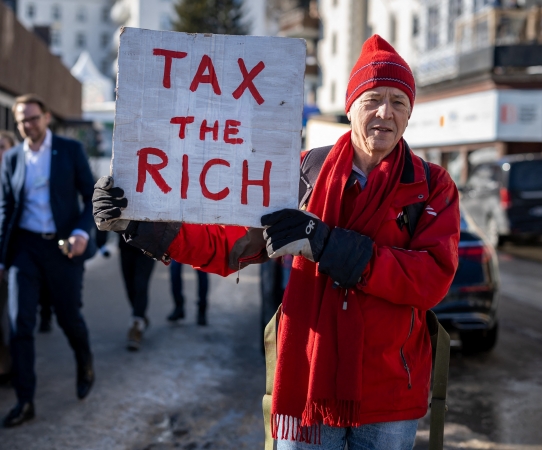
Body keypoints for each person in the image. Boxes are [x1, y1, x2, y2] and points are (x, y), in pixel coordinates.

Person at [93, 35, 460, 449]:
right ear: (350, 105)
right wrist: (142, 225)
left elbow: (430, 279)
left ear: (410, 113)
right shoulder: (302, 171)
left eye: (398, 102)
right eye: (373, 98)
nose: (385, 113)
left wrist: (324, 244)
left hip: (389, 392)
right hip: (306, 382)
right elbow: (228, 243)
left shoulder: (431, 185)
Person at [0, 94, 96, 428]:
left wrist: (82, 233)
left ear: (47, 117)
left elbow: (91, 197)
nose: (28, 125)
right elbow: (6, 208)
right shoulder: (13, 158)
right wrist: (2, 257)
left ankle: (85, 362)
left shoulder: (70, 151)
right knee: (19, 325)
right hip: (24, 248)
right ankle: (25, 401)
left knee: (69, 318)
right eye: (22, 120)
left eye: (33, 118)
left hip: (62, 247)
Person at [119, 237, 155, 351]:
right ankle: (141, 315)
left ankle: (136, 326)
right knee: (130, 287)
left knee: (141, 285)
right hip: (126, 245)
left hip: (149, 246)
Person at [0, 130, 16, 383]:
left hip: (12, 257)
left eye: (3, 147)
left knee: (12, 318)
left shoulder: (18, 177)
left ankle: (10, 365)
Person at [167, 260, 209, 326]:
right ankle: (178, 306)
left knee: (202, 272)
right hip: (180, 249)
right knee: (174, 269)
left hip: (198, 250)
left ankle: (202, 309)